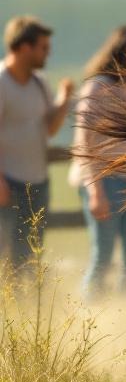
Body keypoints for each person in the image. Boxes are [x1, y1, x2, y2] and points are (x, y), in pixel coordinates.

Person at [70, 25, 126, 300]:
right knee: (103, 255)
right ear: (125, 51)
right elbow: (85, 141)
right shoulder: (98, 87)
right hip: (103, 179)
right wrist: (95, 191)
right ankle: (90, 315)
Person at [0, 16, 74, 276]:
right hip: (8, 183)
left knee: (31, 253)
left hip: (37, 182)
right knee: (7, 253)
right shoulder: (1, 82)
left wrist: (63, 100)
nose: (48, 52)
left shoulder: (39, 82)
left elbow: (49, 129)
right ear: (23, 47)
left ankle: (27, 308)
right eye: (43, 47)